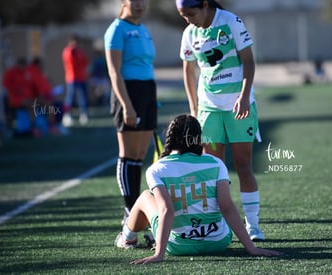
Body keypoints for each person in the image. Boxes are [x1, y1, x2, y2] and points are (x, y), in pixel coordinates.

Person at [114, 114, 281, 264]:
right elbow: (227, 207)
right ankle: (131, 237)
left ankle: (128, 238)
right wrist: (251, 248)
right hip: (218, 242)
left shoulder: (157, 169)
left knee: (144, 196)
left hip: (178, 246)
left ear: (170, 137)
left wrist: (159, 254)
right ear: (198, 137)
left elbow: (167, 210)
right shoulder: (216, 163)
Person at [176, 0, 266, 241]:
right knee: (215, 171)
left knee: (244, 166)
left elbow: (248, 61)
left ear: (204, 5)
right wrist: (194, 109)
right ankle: (219, 226)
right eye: (183, 16)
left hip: (239, 106)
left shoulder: (230, 21)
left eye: (191, 13)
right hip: (209, 110)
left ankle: (253, 226)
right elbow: (188, 70)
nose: (188, 19)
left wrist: (244, 97)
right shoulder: (189, 33)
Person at [104, 0, 157, 225]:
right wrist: (127, 105)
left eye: (144, 1)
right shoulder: (117, 30)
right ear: (124, 2)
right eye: (135, 0)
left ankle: (135, 209)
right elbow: (115, 73)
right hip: (128, 93)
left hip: (147, 93)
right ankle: (130, 210)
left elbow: (147, 65)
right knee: (128, 155)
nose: (140, 5)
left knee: (139, 156)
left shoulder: (143, 29)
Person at [62, 35, 89, 127]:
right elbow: (71, 62)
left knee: (83, 97)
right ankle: (67, 115)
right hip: (72, 78)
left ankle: (84, 114)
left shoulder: (79, 51)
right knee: (70, 97)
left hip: (81, 77)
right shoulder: (68, 51)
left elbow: (85, 62)